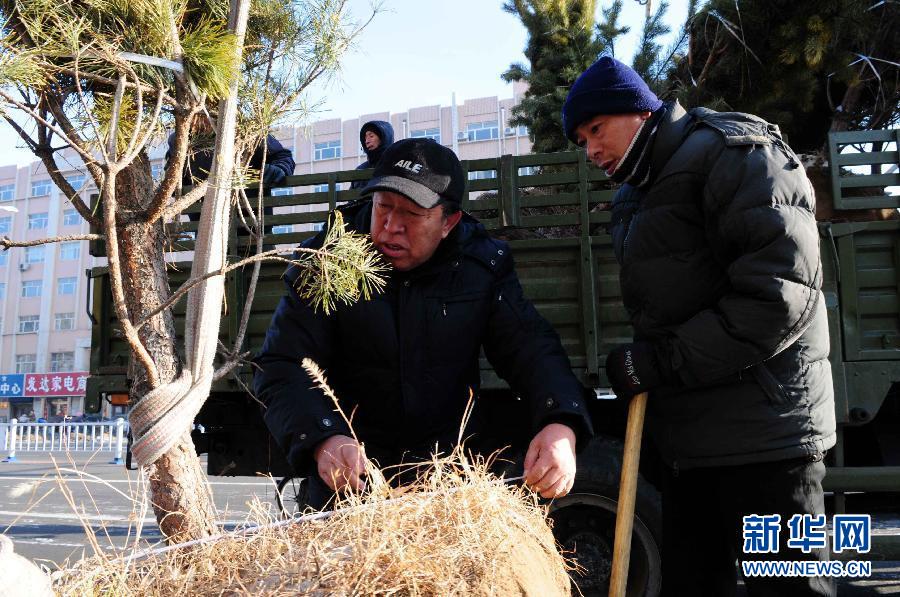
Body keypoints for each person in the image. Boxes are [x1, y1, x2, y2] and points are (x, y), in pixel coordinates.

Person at [562, 57, 836, 596]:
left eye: (596, 128)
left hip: (766, 443)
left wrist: (661, 362)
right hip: (690, 448)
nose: (590, 149)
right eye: (581, 140)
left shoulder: (736, 155)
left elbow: (778, 298)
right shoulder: (636, 192)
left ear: (641, 111)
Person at [254, 138, 593, 508]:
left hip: (448, 479)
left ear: (448, 222)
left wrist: (561, 421)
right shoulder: (328, 258)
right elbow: (282, 364)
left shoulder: (479, 264)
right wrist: (324, 438)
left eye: (412, 215)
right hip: (349, 482)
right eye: (382, 206)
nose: (390, 227)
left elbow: (530, 347)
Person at [165, 120, 295, 237]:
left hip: (253, 228)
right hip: (207, 232)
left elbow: (282, 157)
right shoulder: (181, 139)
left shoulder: (244, 130)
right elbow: (172, 178)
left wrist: (279, 169)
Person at [349, 120, 394, 190]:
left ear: (383, 138)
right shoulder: (360, 169)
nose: (367, 141)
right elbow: (352, 195)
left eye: (371, 136)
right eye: (365, 138)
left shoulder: (397, 164)